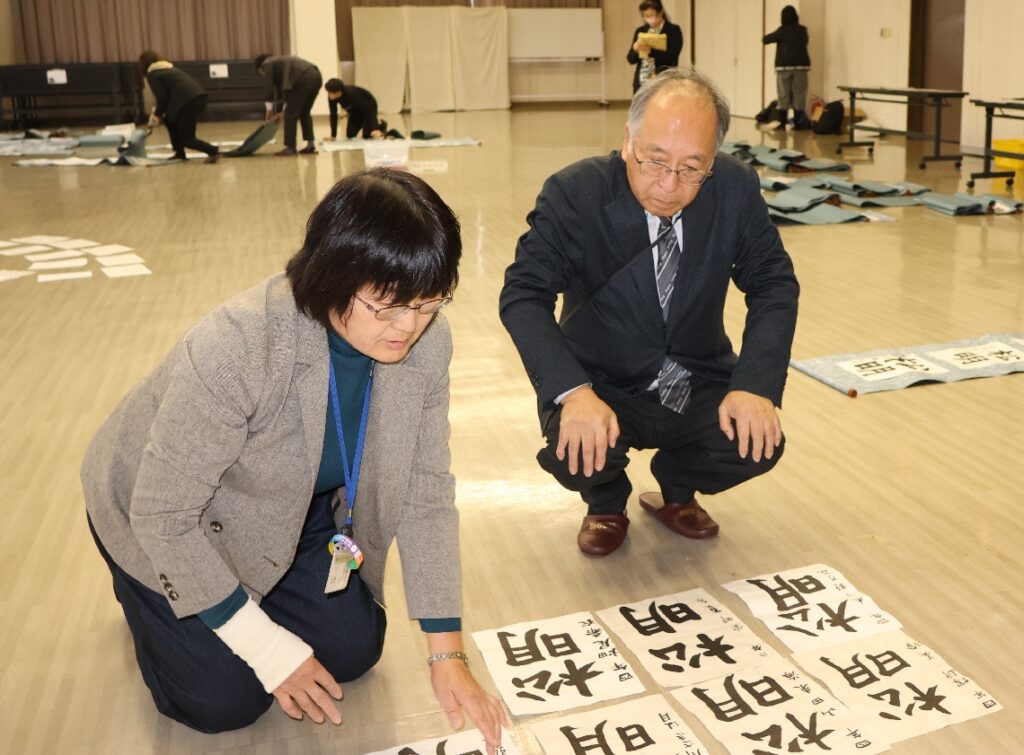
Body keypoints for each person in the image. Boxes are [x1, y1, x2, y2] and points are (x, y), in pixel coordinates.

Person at [82, 168, 508, 747]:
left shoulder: (429, 340)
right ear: (334, 277)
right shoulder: (242, 344)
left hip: (290, 507)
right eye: (386, 306)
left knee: (354, 650)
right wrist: (266, 647)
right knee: (225, 701)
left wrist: (446, 651)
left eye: (428, 302)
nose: (409, 327)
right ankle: (147, 604)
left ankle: (244, 597)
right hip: (161, 516)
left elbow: (426, 490)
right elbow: (161, 513)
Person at [499, 67, 799, 557]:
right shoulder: (575, 194)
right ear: (628, 140)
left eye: (690, 168)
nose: (668, 185)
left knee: (756, 440)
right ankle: (605, 501)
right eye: (654, 161)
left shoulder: (735, 189)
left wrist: (754, 386)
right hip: (601, 380)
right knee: (576, 454)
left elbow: (773, 283)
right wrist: (573, 393)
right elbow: (523, 294)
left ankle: (676, 487)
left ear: (713, 161)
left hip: (692, 375)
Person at [139, 51, 219, 163]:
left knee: (187, 138)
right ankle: (179, 153)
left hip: (187, 102)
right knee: (170, 121)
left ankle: (212, 151)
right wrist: (161, 114)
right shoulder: (168, 68)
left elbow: (162, 98)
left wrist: (156, 115)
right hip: (197, 97)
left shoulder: (153, 75)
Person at [255, 53, 323, 155]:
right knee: (305, 112)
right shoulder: (280, 63)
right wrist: (283, 111)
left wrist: (269, 109)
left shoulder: (267, 64)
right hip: (316, 76)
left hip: (303, 79)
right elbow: (287, 92)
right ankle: (310, 145)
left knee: (290, 115)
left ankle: (290, 148)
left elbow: (269, 88)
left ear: (260, 68)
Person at [762, 5, 812, 131]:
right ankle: (798, 123)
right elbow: (805, 41)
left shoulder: (782, 30)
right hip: (801, 67)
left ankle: (782, 123)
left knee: (783, 95)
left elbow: (765, 39)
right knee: (799, 94)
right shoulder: (802, 30)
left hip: (783, 67)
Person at [626, 0, 683, 94]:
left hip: (664, 80)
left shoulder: (673, 30)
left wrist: (650, 51)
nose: (649, 19)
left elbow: (671, 57)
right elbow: (630, 59)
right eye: (646, 16)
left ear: (661, 13)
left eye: (652, 16)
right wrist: (635, 49)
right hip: (642, 82)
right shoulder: (641, 30)